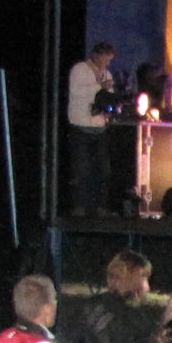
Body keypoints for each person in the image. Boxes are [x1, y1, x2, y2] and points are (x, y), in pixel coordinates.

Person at [66, 41, 117, 216]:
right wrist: (100, 87)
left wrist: (110, 106)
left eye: (110, 60)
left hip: (99, 127)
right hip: (81, 127)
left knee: (103, 170)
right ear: (96, 55)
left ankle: (100, 207)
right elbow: (76, 92)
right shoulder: (80, 69)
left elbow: (108, 97)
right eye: (106, 59)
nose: (107, 63)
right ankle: (80, 207)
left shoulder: (106, 74)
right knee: (81, 170)